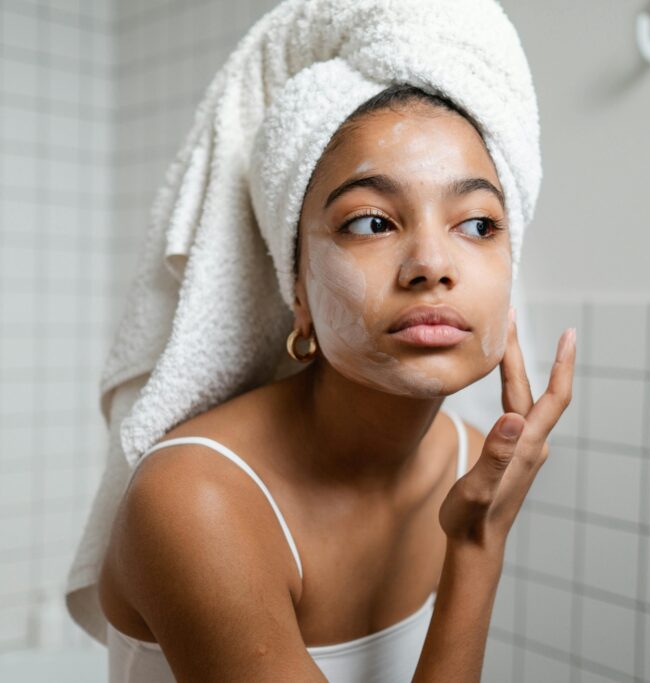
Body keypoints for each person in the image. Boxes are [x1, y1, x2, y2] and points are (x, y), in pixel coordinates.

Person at [96, 81, 577, 682]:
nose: (432, 263)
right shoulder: (195, 501)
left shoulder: (476, 463)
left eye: (478, 225)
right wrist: (477, 547)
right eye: (373, 222)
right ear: (297, 291)